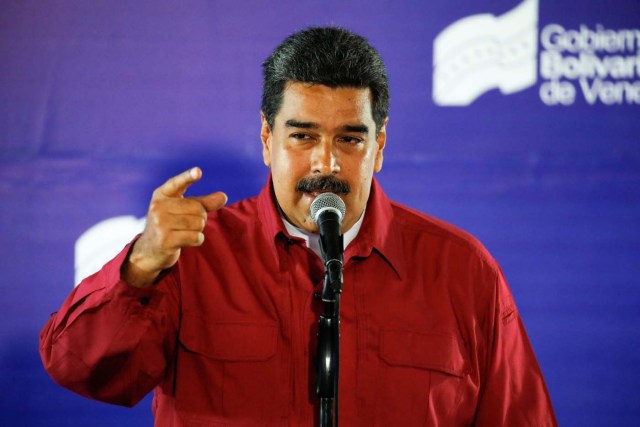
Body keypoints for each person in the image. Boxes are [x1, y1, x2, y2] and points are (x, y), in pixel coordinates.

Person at [40, 26, 557, 426]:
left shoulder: (462, 270)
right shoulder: (194, 254)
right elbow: (82, 369)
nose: (325, 163)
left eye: (351, 139)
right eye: (302, 136)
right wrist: (141, 267)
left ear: (379, 147)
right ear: (267, 139)